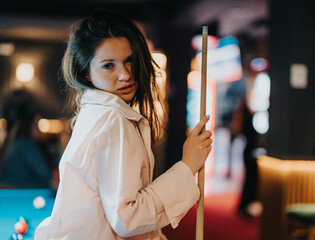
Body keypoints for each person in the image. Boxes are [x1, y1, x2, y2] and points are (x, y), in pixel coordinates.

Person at [35, 8, 212, 240]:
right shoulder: (112, 118)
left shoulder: (95, 111)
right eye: (109, 65)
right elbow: (127, 217)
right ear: (86, 73)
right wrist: (187, 165)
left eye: (129, 61)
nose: (126, 75)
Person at [0, 90, 55, 189]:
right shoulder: (26, 146)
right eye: (37, 124)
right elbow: (48, 178)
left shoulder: (13, 143)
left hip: (9, 195)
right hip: (24, 195)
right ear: (29, 125)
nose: (39, 130)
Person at [230, 95, 259, 218]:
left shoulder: (242, 114)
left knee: (249, 178)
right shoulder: (245, 114)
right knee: (249, 179)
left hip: (248, 150)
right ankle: (244, 205)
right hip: (250, 151)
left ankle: (244, 205)